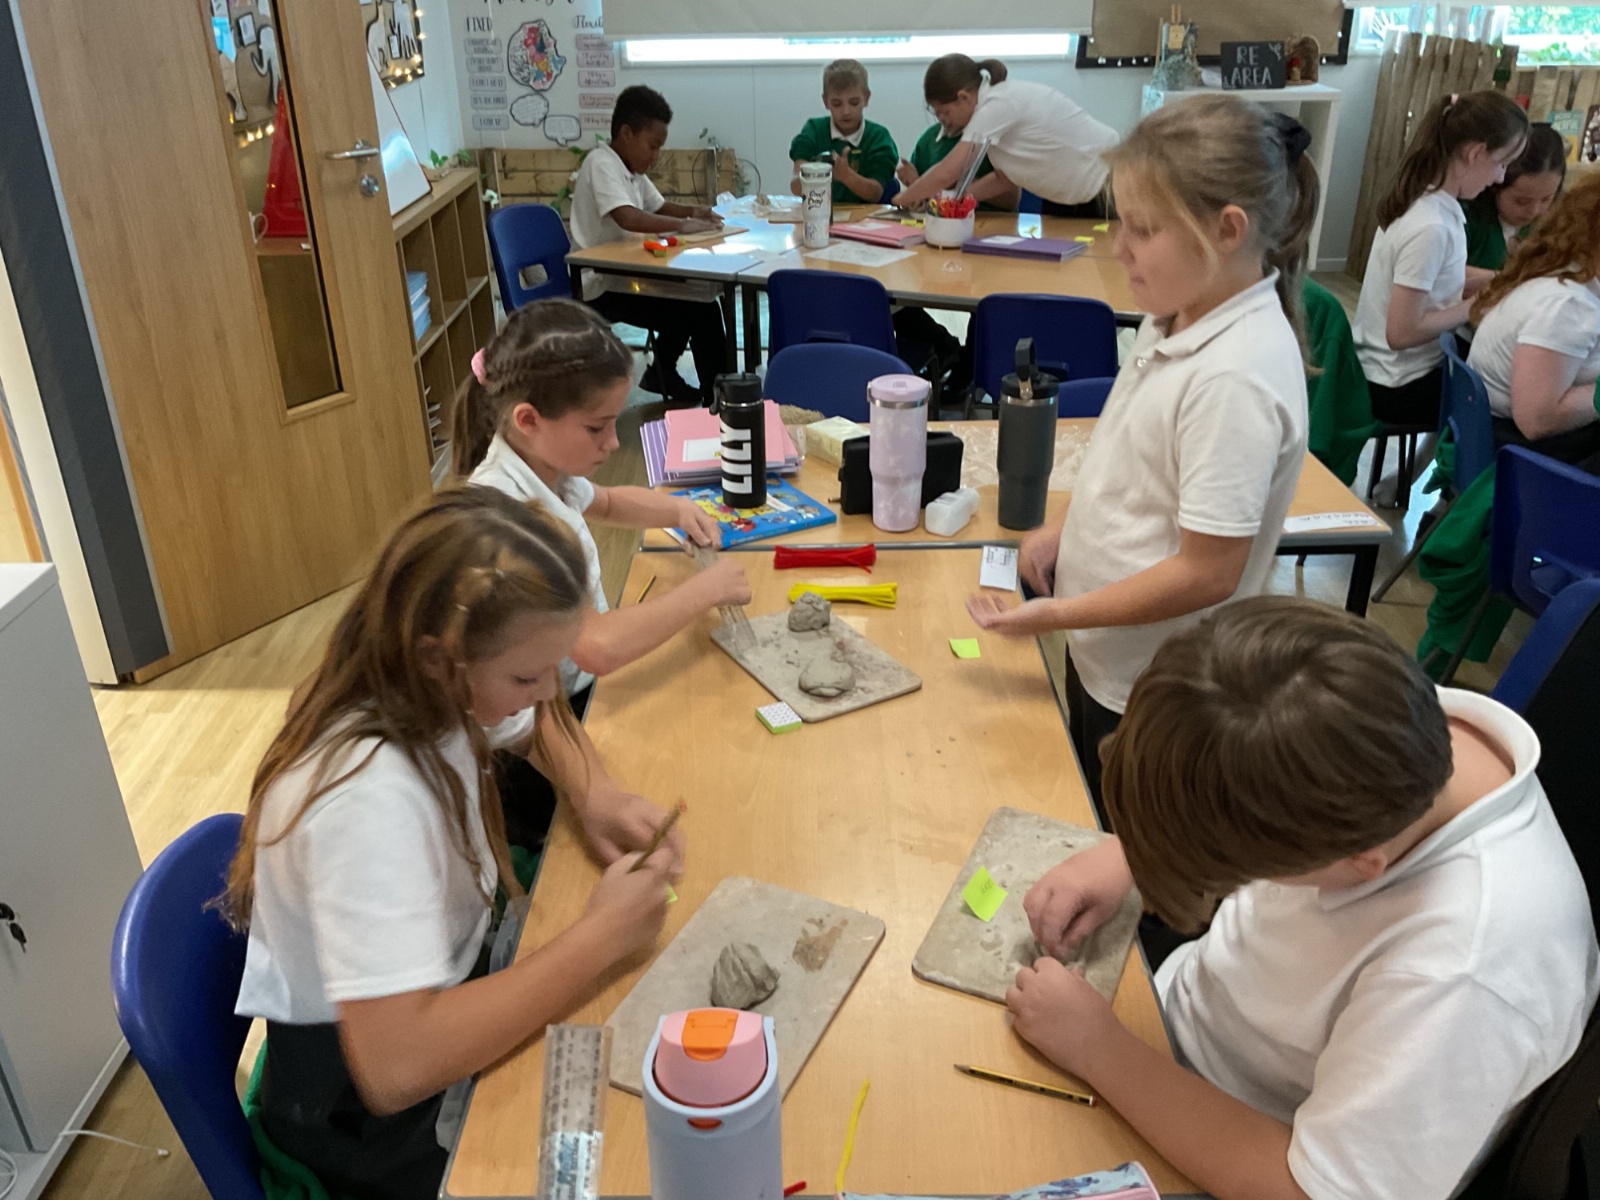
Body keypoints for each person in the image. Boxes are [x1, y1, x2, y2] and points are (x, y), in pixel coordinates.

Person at [1007, 597, 1598, 1200]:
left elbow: (1312, 1191)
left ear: (1362, 865)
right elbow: (1241, 749)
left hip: (1242, 1145)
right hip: (1180, 1027)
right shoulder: (1373, 721)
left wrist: (1101, 1050)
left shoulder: (1464, 973)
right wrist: (1139, 848)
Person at [228, 486, 685, 1200]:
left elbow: (539, 724)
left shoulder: (421, 682)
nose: (546, 692)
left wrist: (595, 793)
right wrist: (600, 937)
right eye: (526, 675)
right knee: (622, 1154)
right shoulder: (366, 801)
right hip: (363, 1115)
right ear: (439, 658)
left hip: (434, 992)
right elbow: (396, 1069)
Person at [966, 95, 1317, 811]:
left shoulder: (1235, 376)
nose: (1119, 247)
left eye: (1144, 229)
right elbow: (1130, 454)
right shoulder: (1177, 313)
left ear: (1226, 230)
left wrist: (1061, 614)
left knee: (1138, 854)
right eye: (1120, 222)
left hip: (1158, 688)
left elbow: (1209, 572)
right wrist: (1066, 528)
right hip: (1111, 659)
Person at [452, 298, 750, 848]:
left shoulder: (542, 465)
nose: (613, 442)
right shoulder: (513, 518)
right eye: (597, 427)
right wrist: (704, 591)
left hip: (564, 704)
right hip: (534, 749)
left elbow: (608, 502)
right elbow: (596, 647)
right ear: (527, 419)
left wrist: (677, 510)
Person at [1418, 173, 1600, 671]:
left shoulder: (1560, 280)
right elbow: (1537, 418)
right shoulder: (1568, 306)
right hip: (1527, 465)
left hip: (1502, 452)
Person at [1352, 91, 1529, 430]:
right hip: (1396, 385)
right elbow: (1401, 333)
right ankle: (1454, 463)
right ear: (1475, 153)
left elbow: (1438, 281)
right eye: (1502, 163)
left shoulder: (1428, 203)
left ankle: (1432, 461)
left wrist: (1500, 280)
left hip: (1395, 374)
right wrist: (1475, 306)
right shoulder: (1430, 226)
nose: (1499, 178)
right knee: (1505, 399)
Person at [570, 84, 728, 405]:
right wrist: (683, 225)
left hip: (626, 273)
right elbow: (628, 217)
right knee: (702, 311)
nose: (656, 156)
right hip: (600, 284)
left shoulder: (631, 169)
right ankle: (721, 404)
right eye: (652, 146)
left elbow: (658, 207)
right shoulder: (601, 163)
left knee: (696, 292)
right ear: (626, 133)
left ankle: (662, 372)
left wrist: (694, 212)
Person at [892, 55, 1118, 217]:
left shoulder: (997, 104)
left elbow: (948, 171)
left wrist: (904, 198)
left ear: (964, 97)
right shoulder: (991, 117)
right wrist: (945, 199)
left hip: (1103, 185)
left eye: (944, 111)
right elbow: (1003, 179)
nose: (941, 119)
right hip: (1067, 197)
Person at [787, 59, 898, 205]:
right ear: (825, 101)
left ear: (866, 98)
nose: (846, 111)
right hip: (821, 213)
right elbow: (796, 187)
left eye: (854, 103)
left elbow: (875, 194)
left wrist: (847, 176)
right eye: (837, 104)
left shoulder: (878, 137)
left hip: (866, 216)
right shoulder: (813, 131)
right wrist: (819, 173)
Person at [1463, 122, 1566, 271]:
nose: (1534, 211)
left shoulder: (1558, 222)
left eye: (1546, 199)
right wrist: (1506, 278)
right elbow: (1441, 272)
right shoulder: (1466, 216)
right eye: (1522, 201)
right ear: (1495, 185)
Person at [896, 113, 1015, 212]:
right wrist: (916, 191)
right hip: (937, 222)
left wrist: (951, 183)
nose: (941, 117)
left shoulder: (991, 138)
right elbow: (918, 197)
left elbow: (1012, 199)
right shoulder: (930, 138)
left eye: (946, 111)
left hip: (989, 220)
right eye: (935, 110)